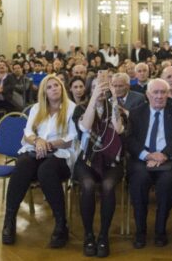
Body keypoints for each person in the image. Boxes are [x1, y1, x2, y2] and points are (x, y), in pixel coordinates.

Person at [2, 75, 77, 248]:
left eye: (56, 85)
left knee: (46, 170)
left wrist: (50, 144)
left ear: (62, 87)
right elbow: (27, 133)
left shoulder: (71, 108)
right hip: (36, 150)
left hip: (61, 153)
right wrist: (38, 141)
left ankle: (61, 224)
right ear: (44, 91)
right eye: (49, 87)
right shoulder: (37, 108)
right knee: (21, 166)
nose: (54, 89)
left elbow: (71, 138)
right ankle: (9, 220)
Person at [125, 79, 172, 249]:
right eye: (155, 93)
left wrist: (164, 154)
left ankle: (160, 230)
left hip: (169, 159)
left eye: (163, 92)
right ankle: (140, 231)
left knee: (167, 183)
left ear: (168, 94)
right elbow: (129, 139)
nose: (159, 96)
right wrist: (147, 155)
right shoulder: (136, 113)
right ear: (147, 95)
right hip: (142, 159)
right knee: (138, 181)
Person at [74, 74, 126, 257]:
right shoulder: (80, 109)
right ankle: (89, 235)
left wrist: (113, 100)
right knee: (87, 186)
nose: (101, 89)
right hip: (87, 160)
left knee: (108, 186)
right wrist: (94, 99)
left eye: (105, 86)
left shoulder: (118, 108)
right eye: (97, 86)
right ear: (90, 89)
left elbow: (118, 128)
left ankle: (103, 236)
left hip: (111, 161)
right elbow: (85, 127)